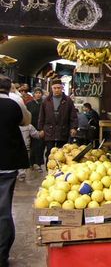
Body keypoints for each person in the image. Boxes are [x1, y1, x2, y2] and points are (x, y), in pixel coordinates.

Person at [0, 74, 31, 266]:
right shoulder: (15, 104)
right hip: (7, 165)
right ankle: (2, 255)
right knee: (3, 211)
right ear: (10, 88)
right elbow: (26, 121)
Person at [38, 79, 78, 162]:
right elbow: (41, 116)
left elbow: (73, 116)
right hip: (49, 131)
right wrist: (40, 129)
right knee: (49, 152)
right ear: (51, 88)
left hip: (63, 130)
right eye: (55, 88)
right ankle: (49, 168)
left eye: (59, 88)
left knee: (62, 152)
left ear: (62, 88)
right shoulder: (46, 101)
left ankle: (60, 170)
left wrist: (74, 127)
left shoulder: (68, 101)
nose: (57, 90)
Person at [26, 87, 45, 171]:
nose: (38, 94)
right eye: (36, 93)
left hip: (41, 128)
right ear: (33, 94)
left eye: (39, 93)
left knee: (40, 146)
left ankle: (38, 163)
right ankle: (31, 163)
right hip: (31, 128)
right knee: (32, 146)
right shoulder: (29, 104)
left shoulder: (44, 104)